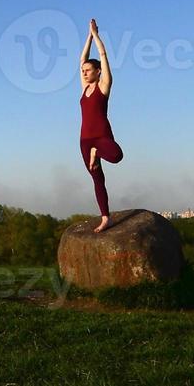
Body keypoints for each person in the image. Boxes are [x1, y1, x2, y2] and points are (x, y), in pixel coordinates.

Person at [79, 18, 124, 232]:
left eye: (88, 70)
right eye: (83, 71)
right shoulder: (84, 88)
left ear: (98, 71)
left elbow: (103, 56)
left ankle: (97, 151)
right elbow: (82, 59)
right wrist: (87, 36)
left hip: (101, 138)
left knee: (116, 156)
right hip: (84, 140)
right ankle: (105, 217)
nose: (85, 72)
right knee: (98, 179)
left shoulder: (103, 86)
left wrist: (96, 35)